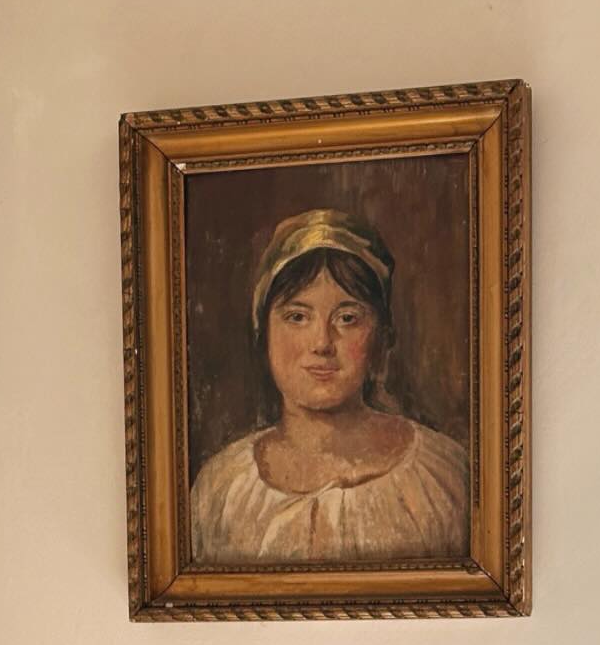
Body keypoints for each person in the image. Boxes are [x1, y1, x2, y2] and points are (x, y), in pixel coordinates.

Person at [190, 208, 471, 566]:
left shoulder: (443, 477)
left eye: (347, 318)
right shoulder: (221, 489)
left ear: (382, 338)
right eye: (297, 317)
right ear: (264, 335)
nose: (322, 343)